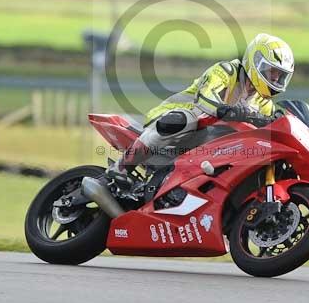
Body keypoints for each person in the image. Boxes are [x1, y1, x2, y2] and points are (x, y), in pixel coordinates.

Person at [105, 33, 295, 188]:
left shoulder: (264, 102)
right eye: (272, 72)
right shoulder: (226, 71)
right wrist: (228, 110)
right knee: (188, 119)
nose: (276, 79)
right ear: (256, 62)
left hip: (205, 142)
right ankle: (122, 167)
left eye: (280, 76)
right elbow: (205, 99)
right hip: (173, 120)